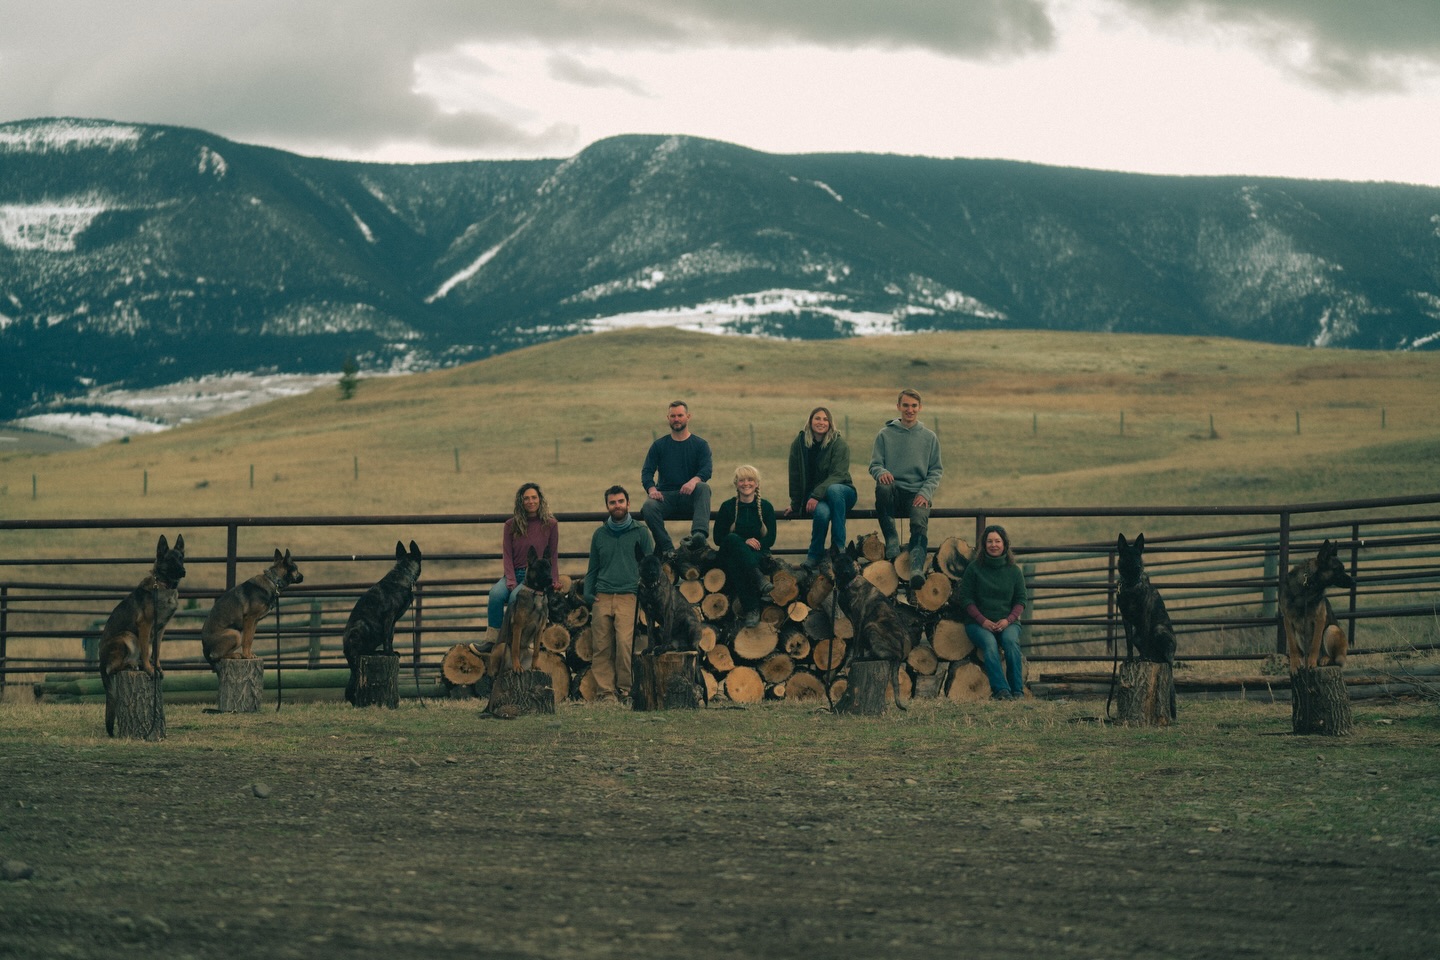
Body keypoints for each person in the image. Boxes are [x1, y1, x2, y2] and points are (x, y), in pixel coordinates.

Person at [582, 485, 654, 703]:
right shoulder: (600, 534)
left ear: (628, 504)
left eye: (621, 501)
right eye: (612, 502)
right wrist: (588, 593)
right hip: (602, 595)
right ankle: (606, 692)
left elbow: (650, 566)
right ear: (607, 506)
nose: (617, 506)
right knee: (601, 646)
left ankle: (625, 689)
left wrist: (644, 595)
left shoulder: (641, 532)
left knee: (624, 644)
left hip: (628, 595)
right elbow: (593, 567)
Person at [869, 388, 943, 586]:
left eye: (914, 406)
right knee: (882, 487)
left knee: (919, 520)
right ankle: (891, 538)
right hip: (893, 490)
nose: (909, 410)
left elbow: (935, 470)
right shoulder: (885, 435)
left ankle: (916, 567)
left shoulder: (929, 437)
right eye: (906, 405)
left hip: (917, 492)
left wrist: (925, 493)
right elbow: (875, 465)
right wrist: (881, 473)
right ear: (898, 407)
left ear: (920, 408)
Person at [959, 524, 1028, 700]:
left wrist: (1009, 620)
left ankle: (1017, 691)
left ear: (1004, 544)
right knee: (990, 645)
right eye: (989, 541)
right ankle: (1002, 691)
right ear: (984, 544)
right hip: (978, 624)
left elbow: (1021, 600)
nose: (993, 545)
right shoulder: (974, 569)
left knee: (1010, 642)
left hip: (1008, 622)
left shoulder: (1014, 571)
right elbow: (966, 599)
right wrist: (982, 620)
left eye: (997, 541)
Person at [784, 406, 856, 569]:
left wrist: (816, 495)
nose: (821, 422)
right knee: (822, 514)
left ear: (830, 424)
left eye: (825, 419)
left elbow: (839, 474)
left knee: (834, 489)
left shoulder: (838, 443)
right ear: (810, 421)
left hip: (843, 493)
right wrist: (796, 504)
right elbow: (795, 475)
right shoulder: (800, 444)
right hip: (818, 499)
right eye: (817, 418)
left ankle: (839, 548)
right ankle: (814, 555)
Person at [640, 400, 713, 554]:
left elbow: (706, 470)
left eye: (680, 415)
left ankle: (698, 536)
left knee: (703, 487)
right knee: (648, 506)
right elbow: (647, 472)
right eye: (673, 416)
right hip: (665, 497)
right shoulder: (659, 445)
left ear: (688, 416)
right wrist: (652, 490)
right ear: (668, 418)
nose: (676, 419)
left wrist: (693, 481)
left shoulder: (700, 445)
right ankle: (667, 548)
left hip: (689, 497)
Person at [488, 482, 561, 634]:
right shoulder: (511, 525)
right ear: (521, 501)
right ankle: (493, 638)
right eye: (526, 498)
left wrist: (554, 579)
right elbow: (507, 554)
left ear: (540, 499)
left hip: (534, 576)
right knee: (495, 594)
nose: (530, 501)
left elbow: (553, 554)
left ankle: (510, 637)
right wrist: (510, 579)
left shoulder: (550, 524)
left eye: (534, 497)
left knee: (516, 597)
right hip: (514, 573)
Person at [713, 465, 778, 626]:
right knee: (732, 538)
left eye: (750, 480)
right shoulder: (727, 507)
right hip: (729, 552)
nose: (746, 483)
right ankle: (759, 579)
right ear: (736, 484)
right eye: (742, 480)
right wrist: (742, 543)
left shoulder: (766, 507)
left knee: (737, 563)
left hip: (756, 554)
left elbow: (770, 538)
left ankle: (752, 609)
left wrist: (749, 547)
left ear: (756, 484)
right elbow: (718, 538)